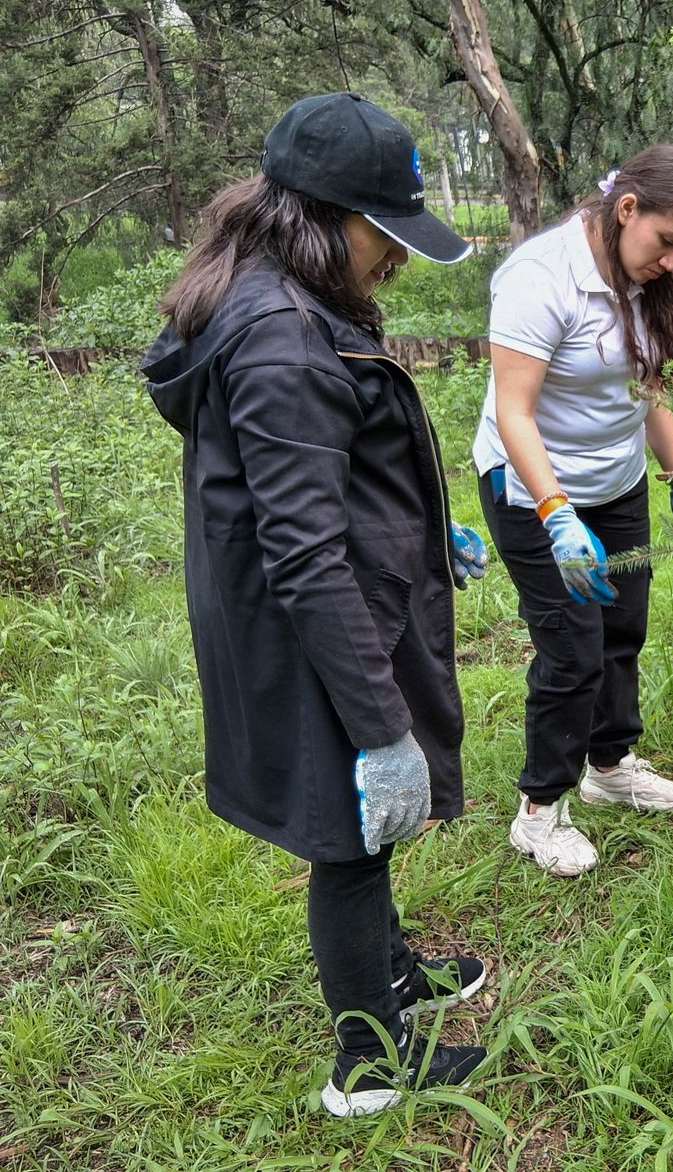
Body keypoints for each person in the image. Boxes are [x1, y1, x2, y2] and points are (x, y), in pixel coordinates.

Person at [141, 92, 490, 1116]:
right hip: (313, 630)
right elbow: (303, 549)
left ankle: (392, 970)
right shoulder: (283, 337)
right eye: (385, 234)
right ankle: (370, 1064)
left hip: (313, 611)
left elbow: (293, 478)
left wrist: (422, 533)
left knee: (369, 835)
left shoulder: (267, 295)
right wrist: (382, 731)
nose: (394, 257)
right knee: (351, 833)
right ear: (326, 218)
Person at [472, 145, 673, 876]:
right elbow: (513, 412)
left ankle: (608, 765)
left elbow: (648, 388)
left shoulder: (641, 278)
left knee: (621, 629)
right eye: (667, 241)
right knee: (571, 650)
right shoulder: (539, 278)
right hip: (534, 488)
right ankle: (540, 811)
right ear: (627, 209)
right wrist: (553, 511)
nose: (672, 262)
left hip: (616, 485)